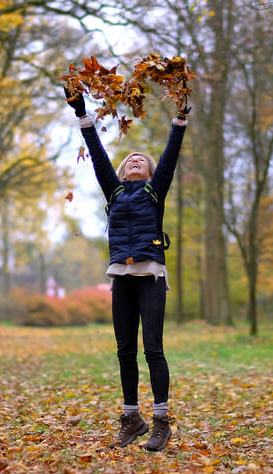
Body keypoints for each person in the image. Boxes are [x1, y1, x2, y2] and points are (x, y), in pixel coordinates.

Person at [64, 86, 189, 452]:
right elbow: (100, 158)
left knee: (152, 348)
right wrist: (82, 115)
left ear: (150, 172)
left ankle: (162, 421)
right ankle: (132, 417)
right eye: (130, 159)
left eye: (141, 159)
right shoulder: (115, 193)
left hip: (150, 275)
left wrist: (180, 120)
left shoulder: (154, 192)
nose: (135, 160)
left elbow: (170, 157)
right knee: (123, 351)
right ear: (122, 171)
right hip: (121, 277)